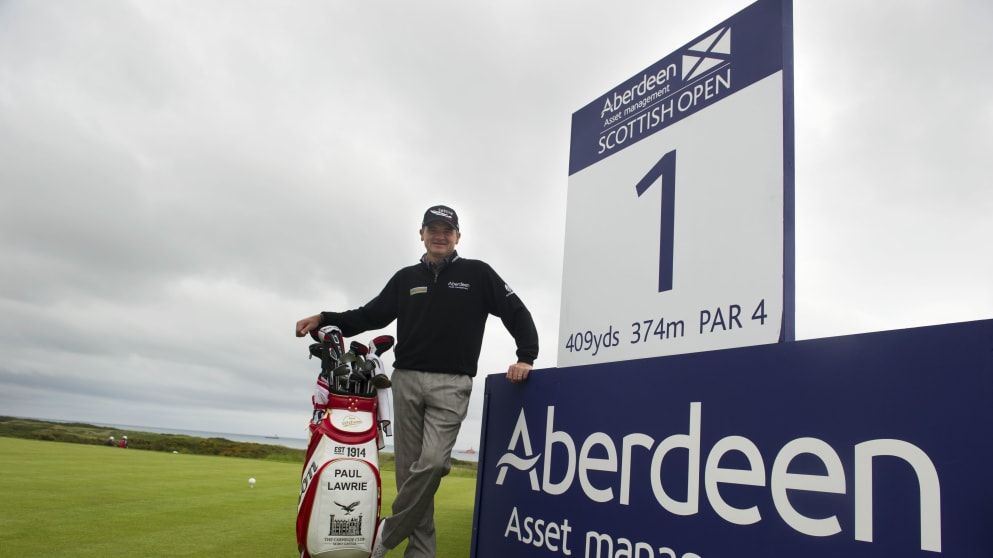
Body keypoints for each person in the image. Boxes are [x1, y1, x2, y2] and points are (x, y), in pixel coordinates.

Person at [295, 204, 538, 558]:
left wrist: (525, 355)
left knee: (435, 463)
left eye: (447, 230)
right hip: (405, 381)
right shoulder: (406, 278)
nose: (440, 235)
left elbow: (516, 311)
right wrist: (325, 317)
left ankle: (387, 533)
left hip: (452, 384)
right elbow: (370, 314)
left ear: (458, 237)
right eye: (433, 229)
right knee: (410, 477)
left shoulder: (478, 274)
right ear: (421, 234)